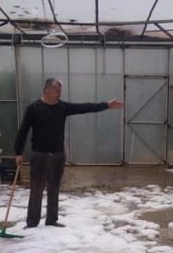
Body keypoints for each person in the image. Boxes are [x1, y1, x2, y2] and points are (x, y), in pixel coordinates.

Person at [14, 78, 123, 228]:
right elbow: (23, 131)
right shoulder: (34, 108)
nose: (60, 94)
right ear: (47, 91)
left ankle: (52, 220)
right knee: (36, 189)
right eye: (57, 91)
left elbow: (84, 107)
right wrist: (18, 152)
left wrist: (106, 105)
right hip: (40, 155)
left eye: (60, 91)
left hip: (58, 155)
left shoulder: (62, 107)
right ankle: (32, 222)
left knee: (54, 187)